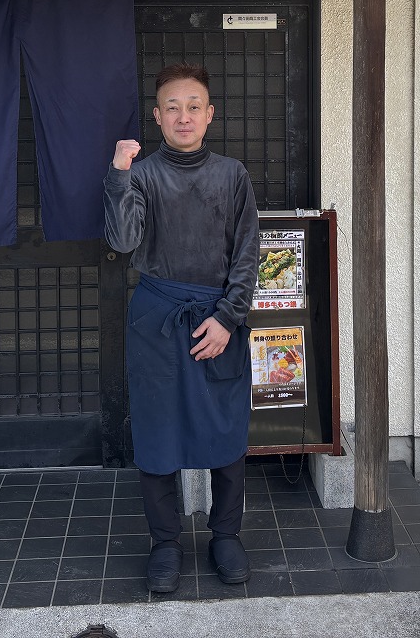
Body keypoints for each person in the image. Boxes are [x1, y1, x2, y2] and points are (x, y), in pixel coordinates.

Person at [103, 62, 260, 594]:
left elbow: (246, 256)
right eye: (173, 106)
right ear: (157, 116)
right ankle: (165, 543)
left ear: (210, 114)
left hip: (218, 315)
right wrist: (119, 173)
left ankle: (225, 535)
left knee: (226, 428)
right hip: (157, 316)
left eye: (194, 106)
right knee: (156, 432)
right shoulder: (142, 173)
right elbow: (124, 242)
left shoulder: (232, 175)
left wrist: (226, 318)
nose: (183, 116)